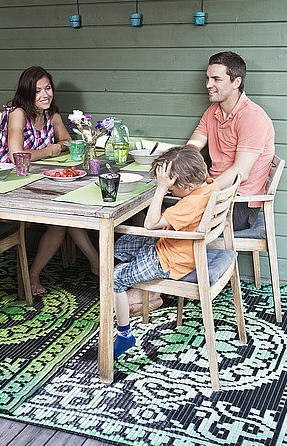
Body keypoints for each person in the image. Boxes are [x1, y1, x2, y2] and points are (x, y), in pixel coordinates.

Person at [0, 66, 99, 296]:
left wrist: (56, 147)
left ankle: (95, 263)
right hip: (13, 182)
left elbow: (66, 140)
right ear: (27, 92)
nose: (45, 95)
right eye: (38, 90)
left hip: (40, 178)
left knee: (71, 209)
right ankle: (34, 275)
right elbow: (16, 156)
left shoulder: (50, 113)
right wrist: (50, 151)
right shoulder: (18, 113)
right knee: (62, 218)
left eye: (48, 88)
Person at [113, 145, 218, 359]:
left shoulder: (189, 204)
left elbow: (151, 224)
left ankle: (124, 334)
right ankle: (145, 292)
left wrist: (160, 190)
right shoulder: (209, 185)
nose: (169, 190)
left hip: (168, 260)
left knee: (114, 278)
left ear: (188, 186)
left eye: (171, 188)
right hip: (174, 246)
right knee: (120, 246)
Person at [187, 51, 275, 231]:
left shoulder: (252, 116)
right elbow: (192, 147)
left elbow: (241, 171)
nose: (208, 85)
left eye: (216, 79)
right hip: (216, 194)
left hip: (239, 204)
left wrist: (202, 192)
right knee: (156, 208)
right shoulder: (213, 111)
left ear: (237, 82)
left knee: (171, 218)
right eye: (208, 78)